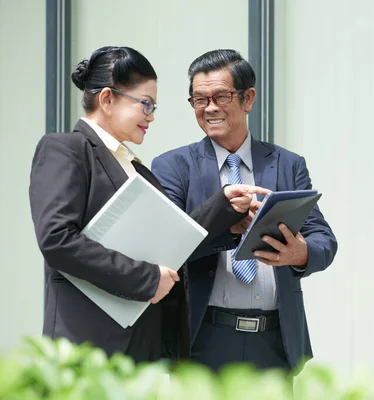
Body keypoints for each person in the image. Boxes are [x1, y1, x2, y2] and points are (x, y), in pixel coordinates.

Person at [29, 46, 268, 364]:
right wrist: (146, 279)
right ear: (107, 99)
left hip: (142, 350)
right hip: (90, 347)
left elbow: (169, 242)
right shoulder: (66, 149)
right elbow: (57, 240)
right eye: (145, 104)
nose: (151, 116)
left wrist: (224, 209)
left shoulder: (136, 168)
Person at [151, 49, 338, 372]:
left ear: (247, 98)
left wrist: (301, 253)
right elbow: (167, 244)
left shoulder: (287, 164)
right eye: (199, 99)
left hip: (274, 343)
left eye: (221, 96)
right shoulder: (173, 167)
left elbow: (324, 239)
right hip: (201, 339)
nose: (209, 108)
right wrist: (226, 222)